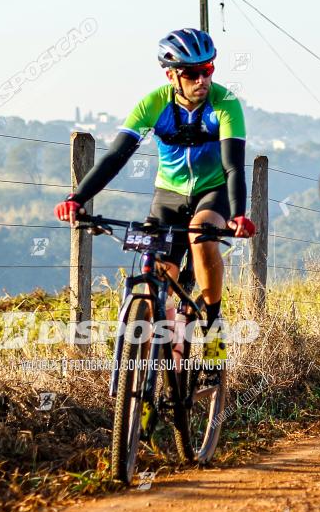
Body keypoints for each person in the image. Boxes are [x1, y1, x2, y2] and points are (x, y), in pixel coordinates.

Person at [55, 27, 256, 373]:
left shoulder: (225, 104)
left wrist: (238, 214)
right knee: (156, 278)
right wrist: (78, 198)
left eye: (207, 70)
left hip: (214, 190)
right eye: (192, 73)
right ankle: (140, 387)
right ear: (171, 75)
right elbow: (116, 156)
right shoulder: (154, 103)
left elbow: (233, 165)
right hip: (169, 196)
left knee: (200, 233)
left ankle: (211, 322)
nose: (201, 80)